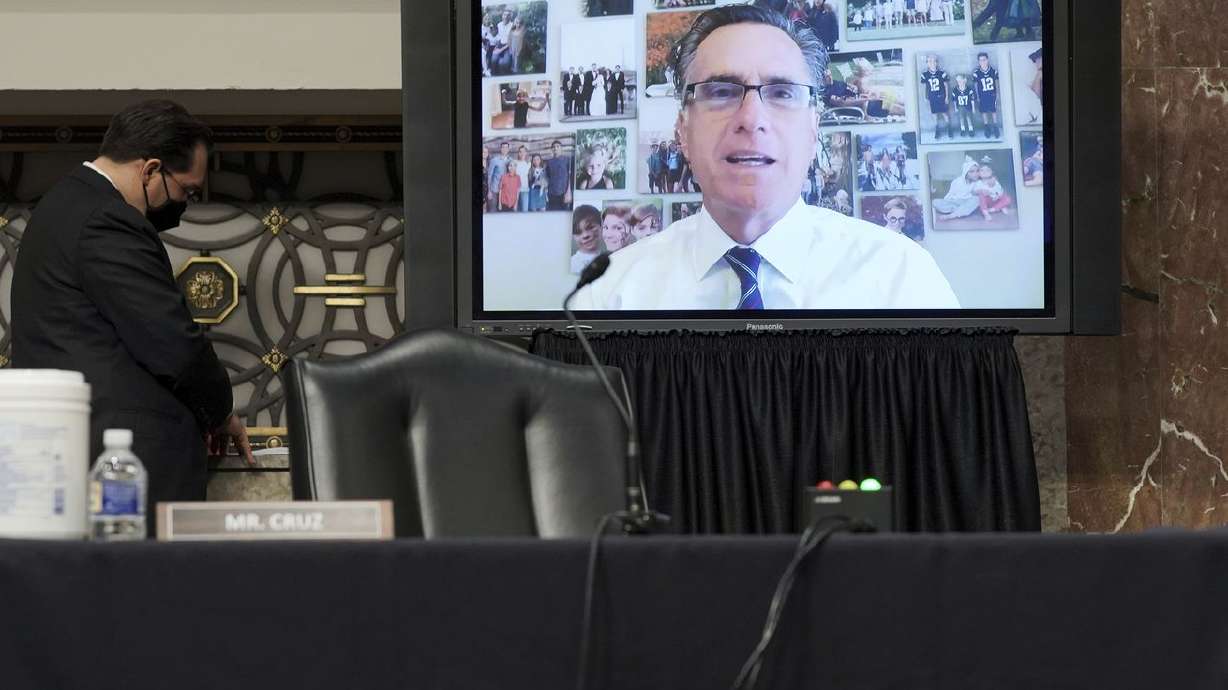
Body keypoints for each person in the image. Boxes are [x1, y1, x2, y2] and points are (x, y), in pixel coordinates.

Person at [572, 3, 957, 310]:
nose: (751, 119)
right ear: (682, 133)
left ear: (812, 130)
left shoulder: (902, 279)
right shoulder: (607, 297)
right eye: (721, 91)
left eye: (782, 92)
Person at [11, 100, 253, 534]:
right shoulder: (107, 219)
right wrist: (221, 411)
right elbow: (173, 343)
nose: (185, 206)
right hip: (127, 468)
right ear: (150, 170)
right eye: (188, 191)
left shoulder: (63, 206)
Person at [921, 54, 953, 140]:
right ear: (927, 63)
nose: (932, 63)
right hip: (932, 97)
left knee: (944, 113)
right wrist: (925, 96)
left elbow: (946, 85)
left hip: (941, 96)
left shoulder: (942, 73)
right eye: (929, 61)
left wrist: (946, 97)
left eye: (933, 61)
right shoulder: (925, 74)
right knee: (934, 115)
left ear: (936, 62)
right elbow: (925, 87)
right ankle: (937, 130)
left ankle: (949, 128)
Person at [972, 51, 1001, 138]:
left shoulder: (993, 71)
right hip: (982, 95)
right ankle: (987, 127)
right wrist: (977, 96)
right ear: (978, 61)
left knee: (993, 111)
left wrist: (997, 93)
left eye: (984, 60)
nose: (982, 62)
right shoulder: (976, 73)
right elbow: (976, 85)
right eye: (980, 60)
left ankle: (995, 127)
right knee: (984, 111)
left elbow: (996, 83)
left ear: (987, 60)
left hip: (991, 94)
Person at [570, 205, 602, 274]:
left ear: (601, 226)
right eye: (578, 232)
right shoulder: (572, 265)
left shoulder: (613, 258)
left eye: (590, 227)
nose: (585, 235)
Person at [544, 139, 573, 210]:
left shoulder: (567, 160)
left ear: (561, 148)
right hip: (552, 194)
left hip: (564, 193)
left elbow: (570, 176)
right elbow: (547, 177)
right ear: (552, 149)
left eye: (558, 146)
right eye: (553, 147)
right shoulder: (549, 162)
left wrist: (568, 192)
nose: (555, 148)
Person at [488, 140, 511, 211]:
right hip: (495, 189)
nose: (504, 149)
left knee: (503, 210)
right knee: (493, 209)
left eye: (506, 147)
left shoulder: (511, 160)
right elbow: (489, 175)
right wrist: (489, 191)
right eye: (503, 147)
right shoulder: (494, 160)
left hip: (505, 190)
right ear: (500, 149)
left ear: (508, 149)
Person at [951, 73, 976, 137]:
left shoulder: (969, 89)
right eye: (958, 81)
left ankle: (971, 129)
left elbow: (972, 99)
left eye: (961, 80)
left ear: (965, 80)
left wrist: (973, 108)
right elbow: (954, 100)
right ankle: (963, 129)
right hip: (960, 107)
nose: (959, 82)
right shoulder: (955, 90)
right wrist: (955, 108)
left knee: (969, 118)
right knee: (961, 118)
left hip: (968, 106)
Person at [511, 145, 532, 211]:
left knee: (525, 210)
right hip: (515, 190)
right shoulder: (514, 162)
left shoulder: (528, 163)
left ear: (526, 153)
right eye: (520, 152)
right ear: (518, 153)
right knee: (515, 210)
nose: (522, 153)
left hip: (525, 189)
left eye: (524, 151)